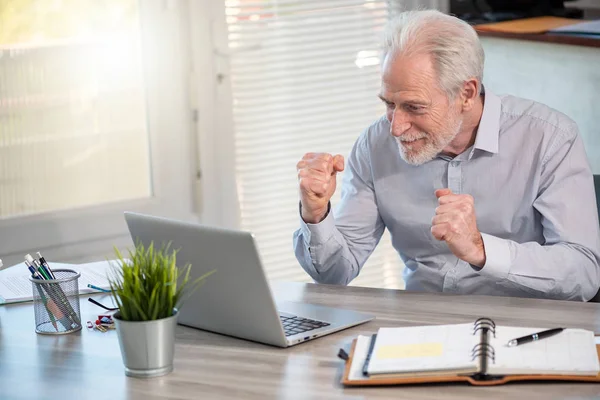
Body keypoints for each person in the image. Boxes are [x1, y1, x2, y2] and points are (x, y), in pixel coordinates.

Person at [292, 10, 600, 301]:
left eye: (414, 107)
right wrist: (316, 214)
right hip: (420, 329)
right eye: (389, 104)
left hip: (523, 329)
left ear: (466, 93)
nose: (396, 128)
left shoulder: (549, 139)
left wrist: (480, 249)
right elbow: (334, 274)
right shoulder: (375, 146)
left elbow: (584, 274)